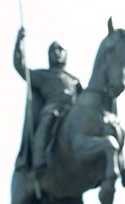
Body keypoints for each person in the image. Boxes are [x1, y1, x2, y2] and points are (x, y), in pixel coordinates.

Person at [14, 27, 83, 171]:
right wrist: (18, 43)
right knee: (47, 122)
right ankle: (38, 159)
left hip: (72, 112)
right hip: (53, 109)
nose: (57, 53)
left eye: (60, 50)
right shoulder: (43, 75)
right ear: (49, 56)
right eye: (53, 51)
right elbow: (21, 68)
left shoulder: (74, 80)